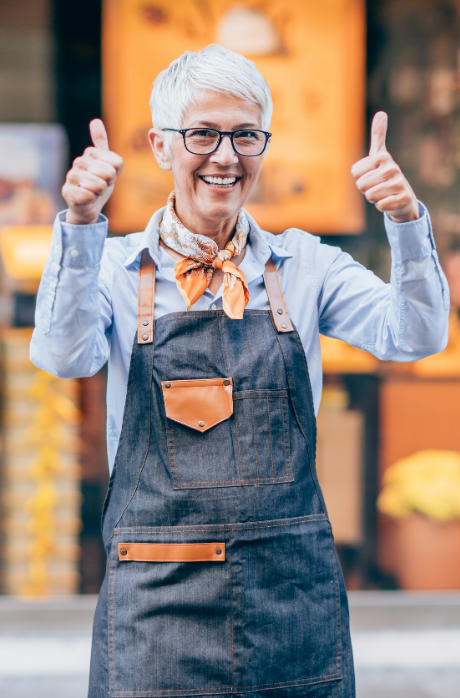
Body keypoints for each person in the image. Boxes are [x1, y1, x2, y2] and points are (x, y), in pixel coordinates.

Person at [30, 45, 448, 698]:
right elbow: (62, 355)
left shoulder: (308, 266)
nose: (226, 156)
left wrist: (404, 220)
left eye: (245, 134)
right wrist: (80, 227)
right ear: (161, 146)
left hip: (289, 598)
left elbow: (415, 335)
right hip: (156, 605)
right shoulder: (111, 268)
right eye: (203, 133)